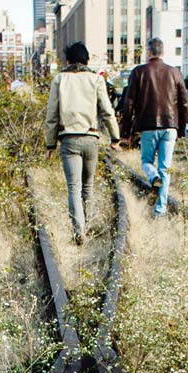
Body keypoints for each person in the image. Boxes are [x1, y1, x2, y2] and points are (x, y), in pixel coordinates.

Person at [44, 42, 120, 245]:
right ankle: (88, 224)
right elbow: (107, 111)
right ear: (86, 60)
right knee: (88, 186)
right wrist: (115, 137)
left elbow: (52, 115)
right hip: (91, 137)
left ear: (68, 60)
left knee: (74, 188)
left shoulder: (59, 79)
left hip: (69, 140)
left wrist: (50, 144)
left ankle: (79, 232)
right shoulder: (96, 80)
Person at [117, 38, 187, 217]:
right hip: (170, 125)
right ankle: (160, 210)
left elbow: (129, 103)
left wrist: (125, 131)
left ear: (148, 52)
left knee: (147, 162)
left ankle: (153, 177)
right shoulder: (175, 72)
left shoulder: (139, 72)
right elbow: (184, 103)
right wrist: (181, 128)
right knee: (165, 168)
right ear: (162, 52)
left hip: (148, 125)